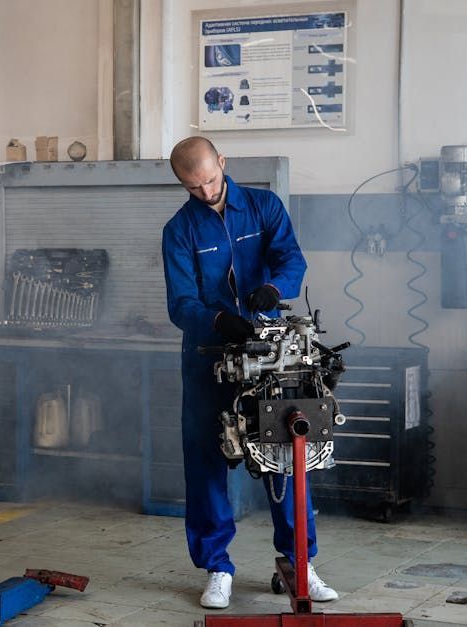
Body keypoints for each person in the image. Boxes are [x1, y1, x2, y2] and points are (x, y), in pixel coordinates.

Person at [160, 137, 338, 609]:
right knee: (206, 464)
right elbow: (181, 304)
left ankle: (301, 561)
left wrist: (273, 288)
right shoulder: (178, 230)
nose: (205, 192)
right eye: (193, 187)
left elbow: (291, 259)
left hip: (271, 355)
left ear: (223, 163)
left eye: (211, 180)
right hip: (208, 358)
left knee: (289, 456)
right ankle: (217, 567)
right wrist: (219, 320)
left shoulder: (263, 206)